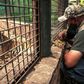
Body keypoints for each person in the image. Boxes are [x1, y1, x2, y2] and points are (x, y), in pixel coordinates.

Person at [58, 2, 84, 84]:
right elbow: (74, 36)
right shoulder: (80, 25)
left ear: (75, 19)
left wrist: (65, 50)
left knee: (65, 66)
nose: (68, 23)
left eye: (68, 20)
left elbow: (69, 62)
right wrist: (65, 33)